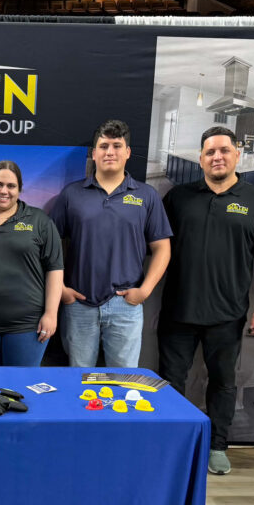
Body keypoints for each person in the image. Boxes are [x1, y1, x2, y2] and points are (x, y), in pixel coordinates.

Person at [158, 126, 254, 476]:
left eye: (224, 150)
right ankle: (175, 443)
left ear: (237, 154)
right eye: (210, 152)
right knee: (170, 380)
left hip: (227, 313)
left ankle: (217, 446)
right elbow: (157, 248)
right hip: (178, 310)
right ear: (200, 158)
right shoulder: (177, 198)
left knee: (224, 382)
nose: (217, 157)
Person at [49, 119, 172, 367]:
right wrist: (61, 290)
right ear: (94, 153)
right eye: (103, 146)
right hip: (79, 304)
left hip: (126, 305)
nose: (110, 152)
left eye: (117, 146)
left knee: (123, 383)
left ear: (127, 152)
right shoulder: (72, 194)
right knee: (78, 378)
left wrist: (145, 291)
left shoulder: (146, 196)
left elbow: (162, 249)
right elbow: (49, 246)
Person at [0, 161, 65, 366]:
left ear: (19, 189)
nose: (4, 191)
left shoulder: (39, 221)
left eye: (11, 186)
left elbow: (54, 269)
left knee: (21, 388)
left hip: (27, 324)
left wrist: (51, 314)